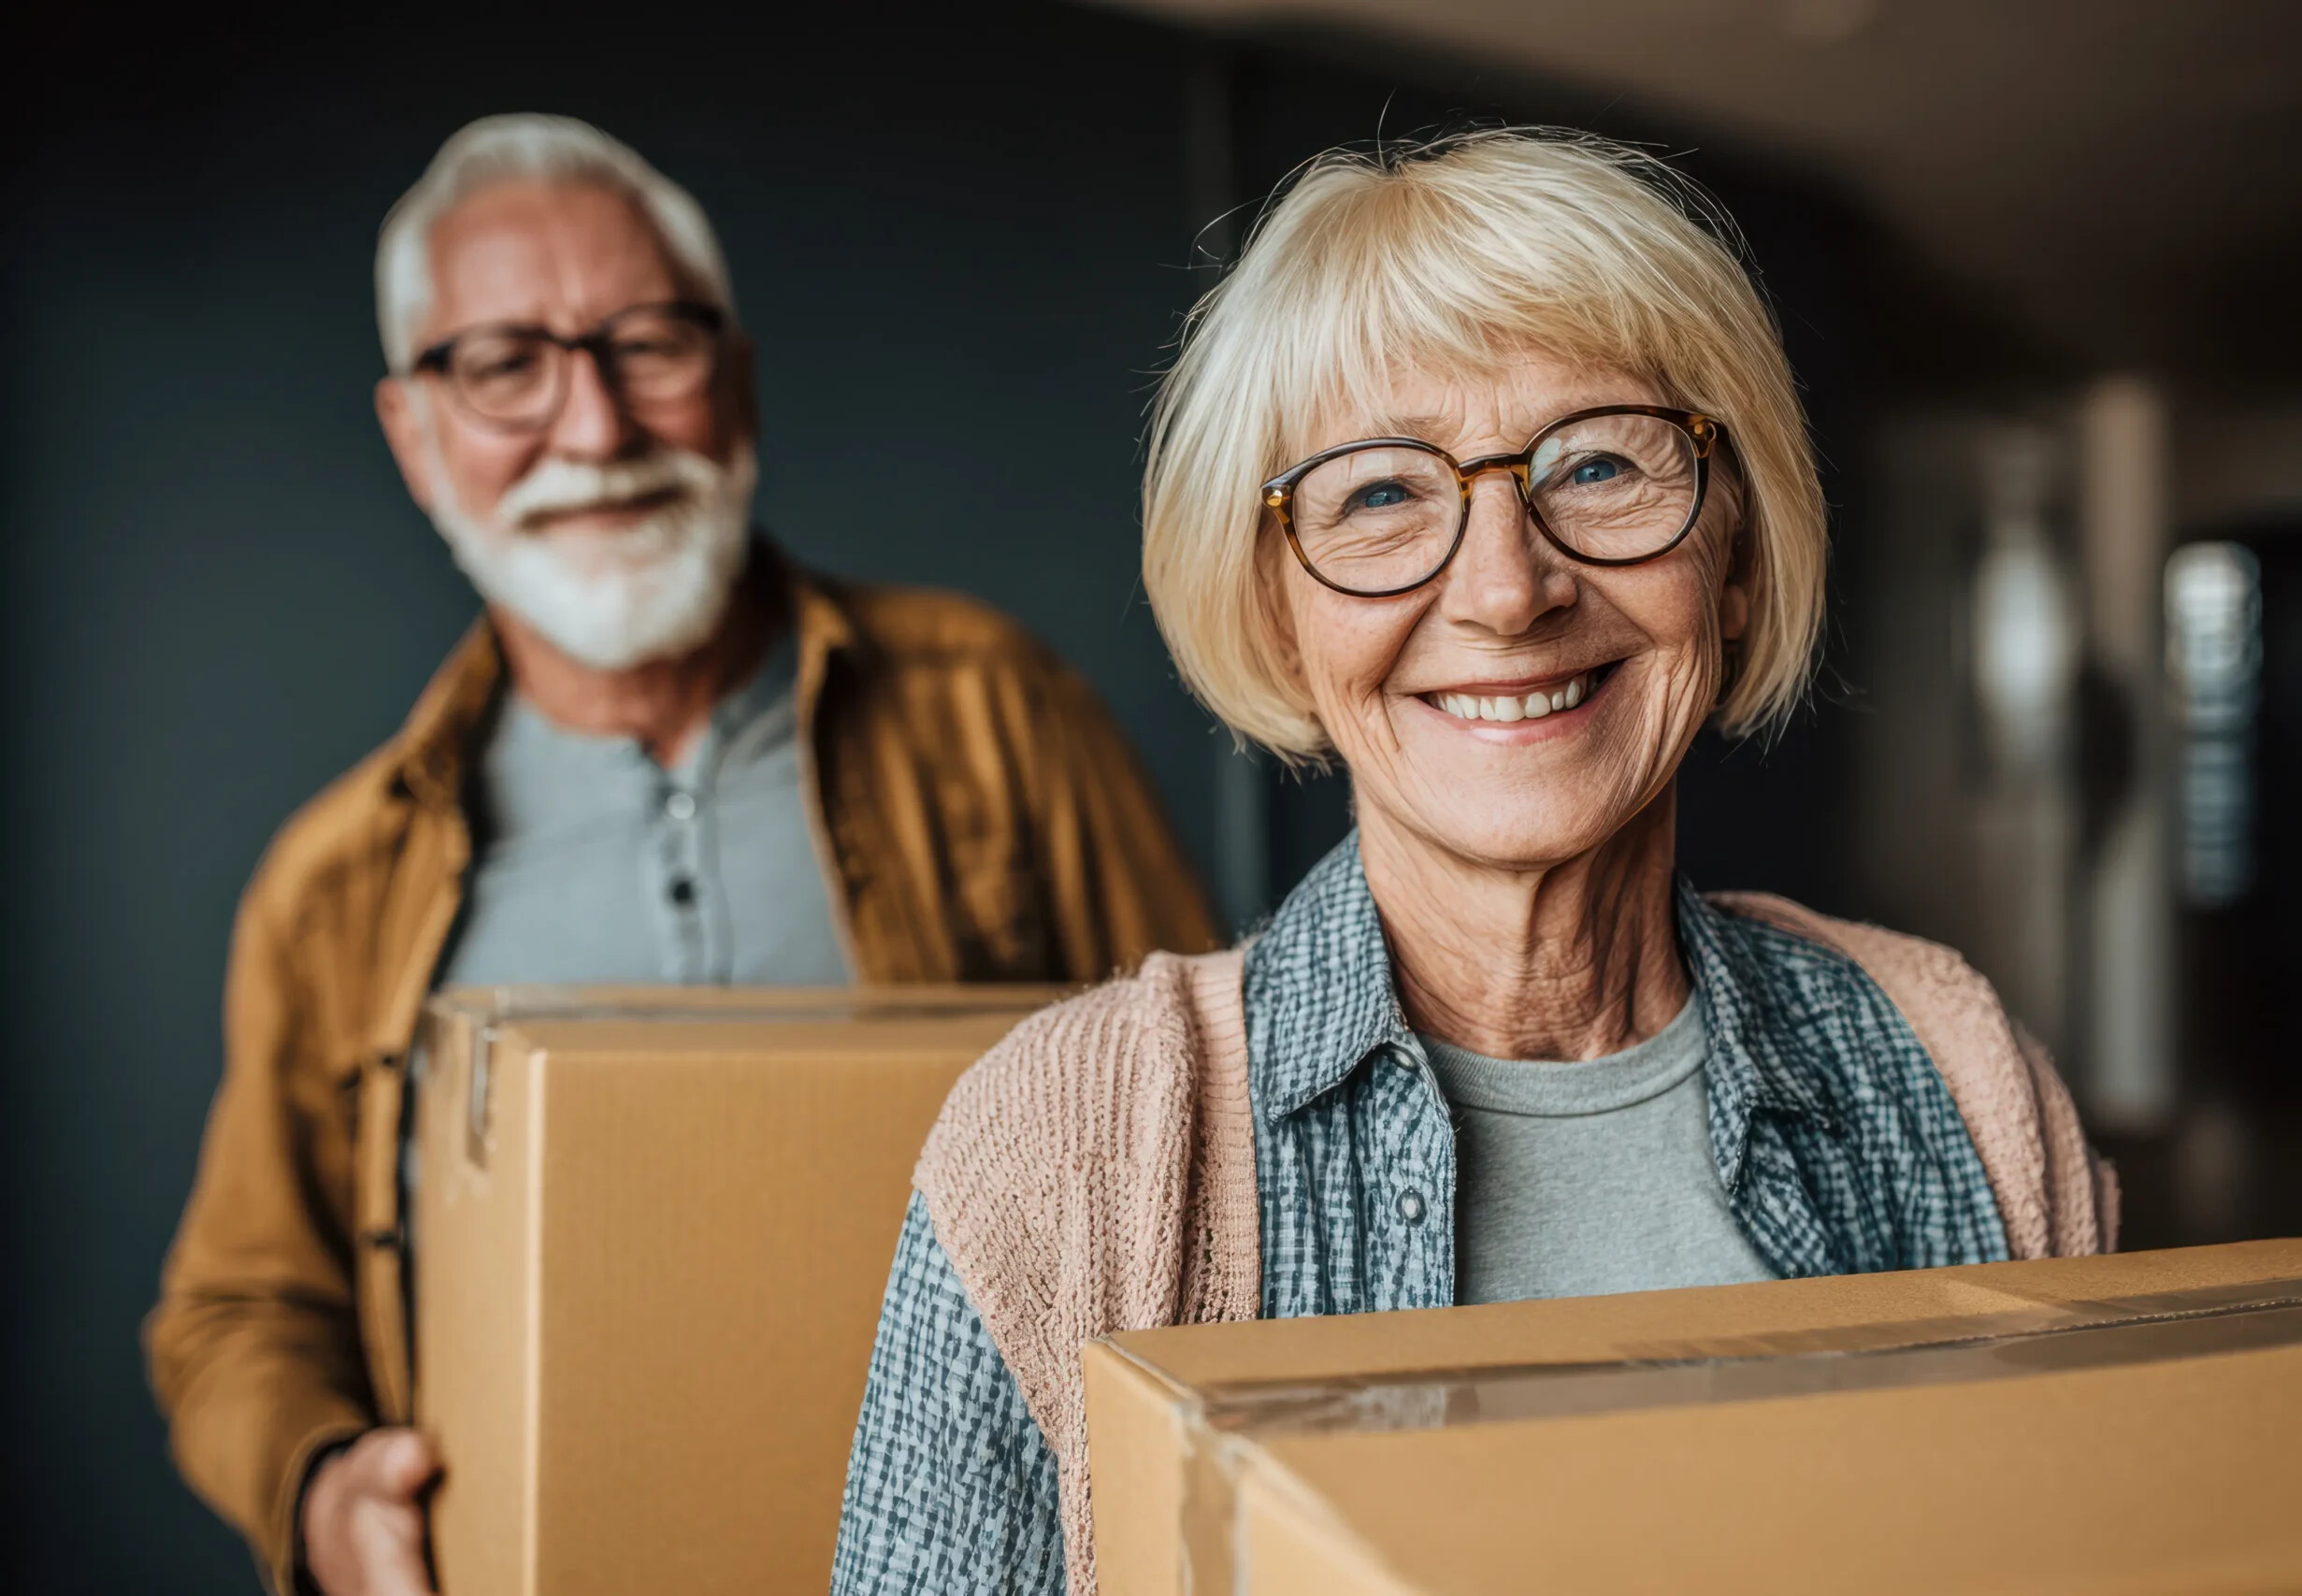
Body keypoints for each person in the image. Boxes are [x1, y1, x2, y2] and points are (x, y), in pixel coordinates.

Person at [830, 128, 2118, 1596]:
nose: (1507, 588)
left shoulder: (1953, 1065)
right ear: (1278, 611)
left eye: (1599, 465)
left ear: (1739, 556)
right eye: (1381, 494)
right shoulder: (1072, 1146)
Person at [145, 114, 1215, 1596]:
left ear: (739, 380)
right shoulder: (331, 889)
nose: (595, 430)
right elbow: (237, 1308)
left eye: (649, 343)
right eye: (505, 364)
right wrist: (321, 1487)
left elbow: (1219, 1133)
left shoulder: (998, 713)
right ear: (414, 434)